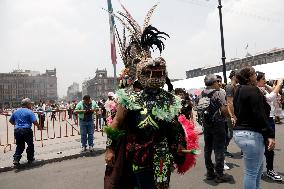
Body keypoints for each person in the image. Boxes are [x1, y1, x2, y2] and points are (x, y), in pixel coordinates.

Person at [104, 5, 198, 188]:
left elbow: (174, 123)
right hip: (138, 152)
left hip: (163, 154)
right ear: (140, 75)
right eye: (150, 73)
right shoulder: (127, 97)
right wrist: (110, 148)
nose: (155, 78)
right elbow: (117, 123)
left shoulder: (169, 98)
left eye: (159, 73)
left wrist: (179, 142)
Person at [233, 67, 275, 189]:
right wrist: (270, 135)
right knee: (252, 172)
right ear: (249, 77)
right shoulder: (252, 90)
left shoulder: (239, 90)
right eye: (254, 74)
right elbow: (260, 115)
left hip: (241, 133)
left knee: (256, 169)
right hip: (251, 134)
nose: (255, 76)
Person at [200, 74, 232, 183]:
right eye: (217, 82)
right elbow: (224, 109)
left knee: (207, 149)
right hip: (218, 124)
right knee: (219, 149)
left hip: (206, 124)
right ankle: (219, 174)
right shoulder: (218, 93)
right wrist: (229, 116)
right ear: (213, 83)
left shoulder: (202, 93)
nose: (219, 83)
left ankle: (210, 172)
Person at [256, 71, 283, 181]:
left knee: (268, 147)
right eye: (263, 79)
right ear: (257, 80)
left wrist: (265, 84)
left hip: (268, 118)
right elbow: (271, 97)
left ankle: (267, 169)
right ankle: (268, 170)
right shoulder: (257, 90)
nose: (265, 80)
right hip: (265, 120)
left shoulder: (261, 88)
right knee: (267, 146)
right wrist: (279, 84)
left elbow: (276, 94)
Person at [9, 98, 39, 165]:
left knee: (20, 145)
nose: (31, 105)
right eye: (30, 104)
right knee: (30, 145)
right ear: (27, 104)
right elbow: (34, 121)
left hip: (17, 130)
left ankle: (16, 159)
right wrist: (39, 127)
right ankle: (30, 159)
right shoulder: (29, 111)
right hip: (26, 130)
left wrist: (16, 124)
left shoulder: (16, 111)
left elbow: (10, 121)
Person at [224, 70, 238, 158]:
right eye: (237, 76)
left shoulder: (235, 86)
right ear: (233, 77)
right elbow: (229, 102)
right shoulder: (229, 87)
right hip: (230, 114)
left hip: (234, 113)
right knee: (231, 133)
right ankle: (223, 149)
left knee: (233, 132)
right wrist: (233, 116)